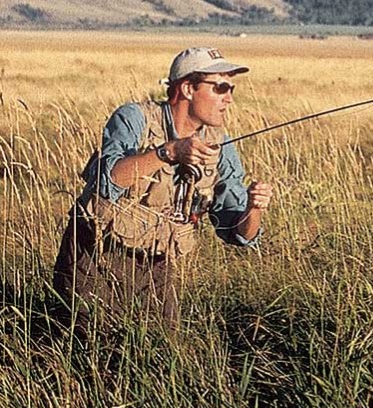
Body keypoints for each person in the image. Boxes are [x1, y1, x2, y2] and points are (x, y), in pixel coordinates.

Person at [54, 46, 272, 329]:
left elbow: (238, 234)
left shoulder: (221, 146)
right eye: (220, 87)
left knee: (160, 352)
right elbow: (106, 183)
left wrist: (254, 208)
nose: (229, 98)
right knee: (92, 348)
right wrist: (167, 153)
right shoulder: (134, 118)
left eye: (231, 89)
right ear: (188, 88)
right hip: (95, 253)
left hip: (157, 267)